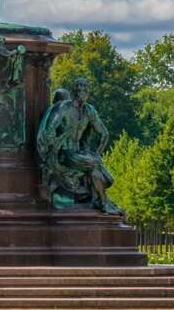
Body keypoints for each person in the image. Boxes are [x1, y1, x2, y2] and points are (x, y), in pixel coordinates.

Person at [36, 79, 118, 212]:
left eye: (85, 91)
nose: (82, 93)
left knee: (107, 177)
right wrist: (53, 150)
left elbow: (104, 133)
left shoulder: (89, 110)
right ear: (74, 92)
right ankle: (103, 202)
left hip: (78, 153)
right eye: (80, 90)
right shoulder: (64, 107)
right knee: (93, 165)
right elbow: (50, 129)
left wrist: (97, 153)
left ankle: (97, 199)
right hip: (64, 153)